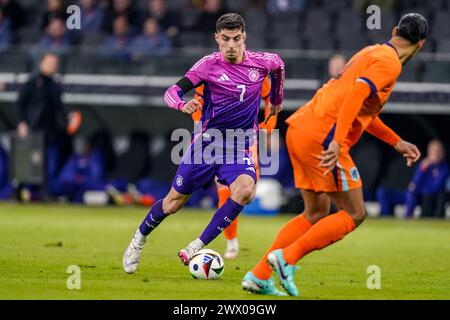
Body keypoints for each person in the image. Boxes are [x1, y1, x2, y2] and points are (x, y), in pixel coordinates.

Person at [243, 13, 428, 296]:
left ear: (394, 31)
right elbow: (355, 96)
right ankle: (286, 259)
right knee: (355, 212)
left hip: (301, 128)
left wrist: (396, 141)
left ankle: (258, 275)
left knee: (315, 212)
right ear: (421, 44)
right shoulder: (390, 64)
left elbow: (361, 109)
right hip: (323, 137)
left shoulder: (371, 52)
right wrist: (339, 143)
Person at [122, 13, 285, 282]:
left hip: (239, 144)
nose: (231, 45)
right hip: (207, 144)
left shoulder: (263, 62)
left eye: (235, 39)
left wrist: (276, 99)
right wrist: (181, 104)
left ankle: (197, 246)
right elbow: (171, 92)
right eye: (225, 40)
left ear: (243, 37)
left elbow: (278, 66)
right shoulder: (207, 66)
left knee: (244, 190)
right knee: (173, 203)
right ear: (217, 39)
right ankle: (139, 239)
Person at [192, 76, 277, 259]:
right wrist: (201, 128)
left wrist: (267, 127)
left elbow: (272, 100)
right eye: (227, 44)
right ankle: (231, 242)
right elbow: (197, 103)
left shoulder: (257, 72)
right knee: (225, 189)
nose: (231, 46)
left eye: (236, 44)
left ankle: (230, 237)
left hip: (247, 135)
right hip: (218, 136)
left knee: (248, 194)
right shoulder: (211, 70)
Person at [17, 53, 80, 193]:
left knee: (45, 161)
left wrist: (68, 117)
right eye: (50, 62)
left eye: (54, 63)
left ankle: (43, 191)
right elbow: (20, 104)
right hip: (33, 128)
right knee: (29, 161)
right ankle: (20, 189)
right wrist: (22, 123)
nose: (53, 66)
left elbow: (59, 106)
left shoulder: (54, 85)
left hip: (49, 129)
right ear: (41, 63)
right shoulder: (32, 83)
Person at [378, 139, 450, 218]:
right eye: (433, 151)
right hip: (411, 193)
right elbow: (415, 181)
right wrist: (422, 168)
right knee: (383, 192)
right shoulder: (423, 165)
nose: (435, 154)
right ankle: (386, 217)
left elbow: (436, 187)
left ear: (442, 153)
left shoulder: (444, 168)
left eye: (438, 151)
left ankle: (408, 217)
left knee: (413, 193)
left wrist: (417, 188)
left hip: (426, 197)